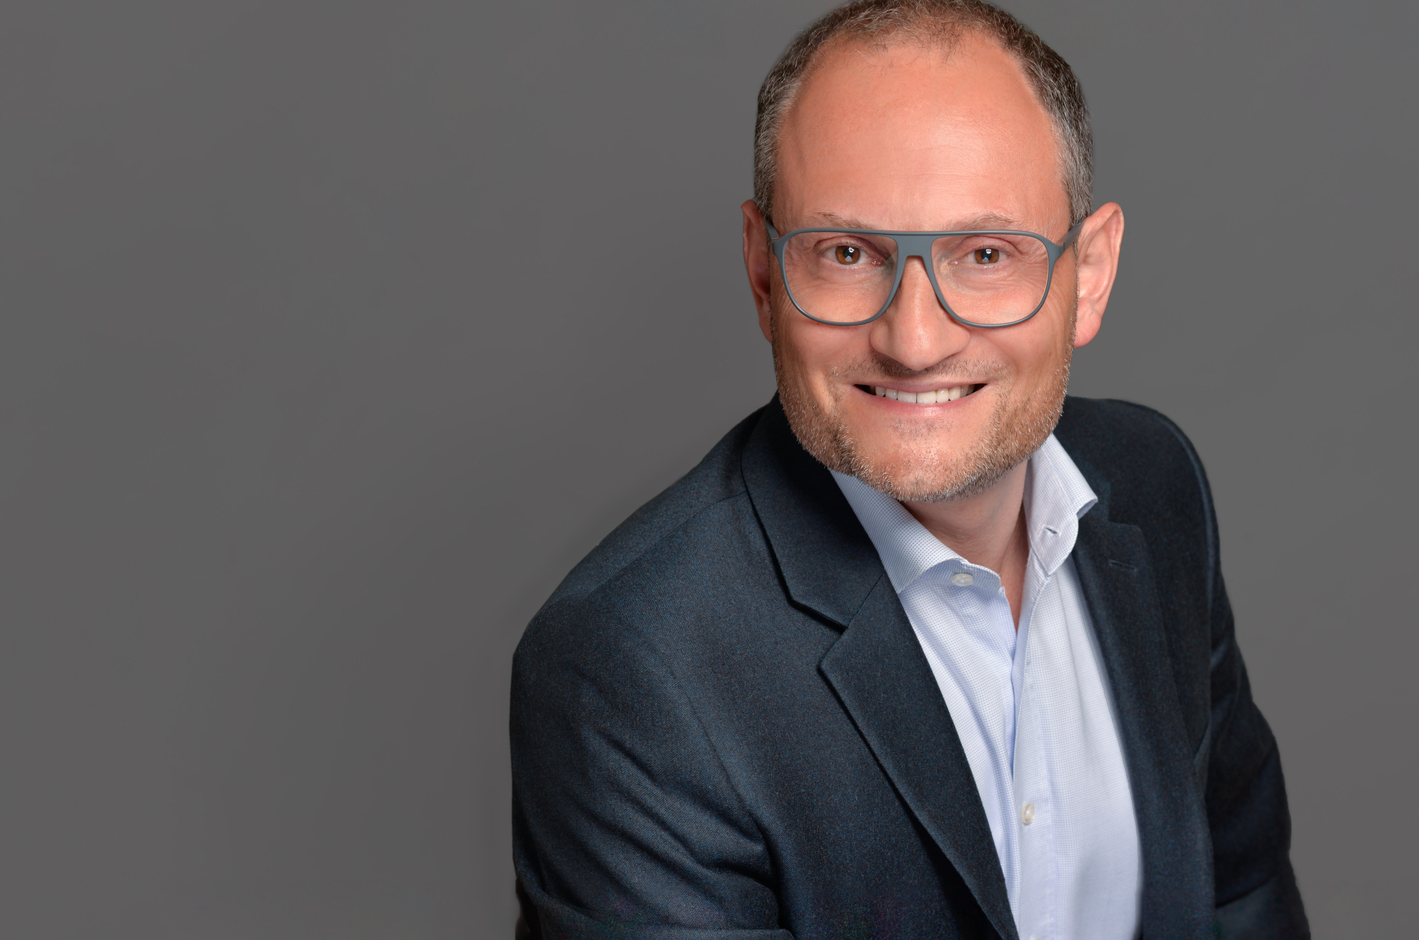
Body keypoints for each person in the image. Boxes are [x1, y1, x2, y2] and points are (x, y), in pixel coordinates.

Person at [510, 1, 1307, 937]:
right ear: (763, 274)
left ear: (1089, 275)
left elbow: (1241, 892)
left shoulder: (1155, 483)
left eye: (986, 253)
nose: (915, 341)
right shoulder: (631, 669)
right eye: (847, 253)